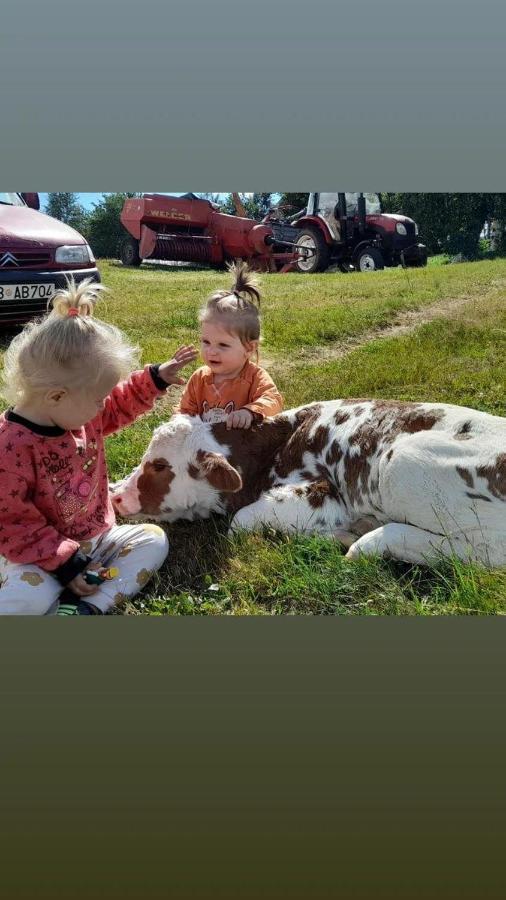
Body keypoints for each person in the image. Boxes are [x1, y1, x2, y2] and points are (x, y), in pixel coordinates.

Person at [0, 278, 197, 615]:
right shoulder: (10, 446)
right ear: (57, 396)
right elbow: (13, 523)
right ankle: (58, 596)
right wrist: (65, 563)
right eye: (98, 399)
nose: (104, 406)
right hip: (38, 557)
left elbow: (121, 402)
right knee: (24, 600)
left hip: (98, 543)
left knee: (152, 540)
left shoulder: (79, 414)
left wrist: (156, 379)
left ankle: (89, 607)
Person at [173, 262, 283, 428]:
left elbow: (273, 400)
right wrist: (180, 421)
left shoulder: (254, 377)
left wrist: (249, 412)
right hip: (204, 448)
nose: (211, 351)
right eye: (206, 342)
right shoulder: (199, 379)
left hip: (241, 449)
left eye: (223, 345)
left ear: (249, 348)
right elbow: (185, 410)